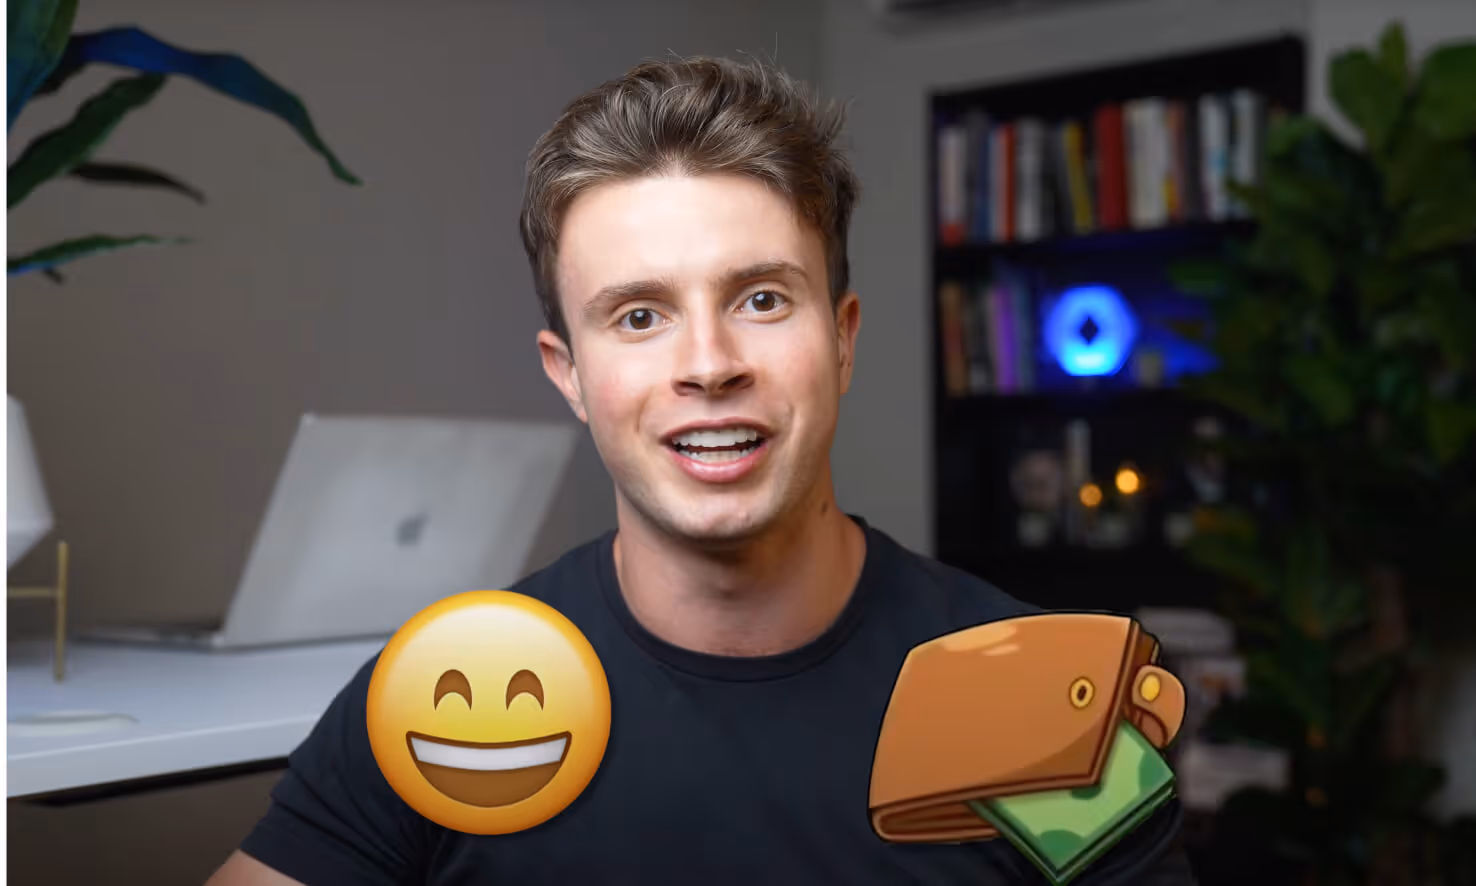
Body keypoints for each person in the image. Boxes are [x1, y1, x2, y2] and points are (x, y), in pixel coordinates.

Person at [207, 55, 1198, 885]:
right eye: (639, 316)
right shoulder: (455, 695)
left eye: (762, 299)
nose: (709, 364)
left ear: (842, 339)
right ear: (570, 374)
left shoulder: (1045, 701)